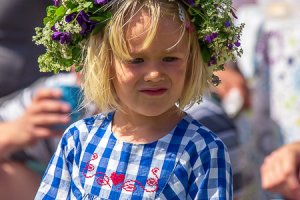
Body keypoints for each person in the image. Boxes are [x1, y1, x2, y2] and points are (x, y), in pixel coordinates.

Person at [34, 0, 243, 199]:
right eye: (136, 60)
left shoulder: (202, 149)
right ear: (106, 63)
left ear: (191, 61)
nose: (154, 74)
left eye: (170, 58)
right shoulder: (79, 139)